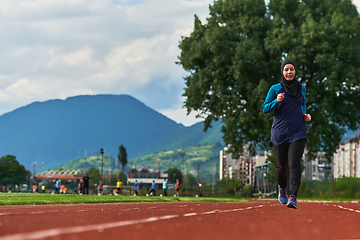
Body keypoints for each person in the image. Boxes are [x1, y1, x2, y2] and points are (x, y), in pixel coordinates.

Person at [263, 60, 311, 209]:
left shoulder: (301, 88)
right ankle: (282, 188)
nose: (289, 72)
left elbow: (302, 104)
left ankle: (293, 197)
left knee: (294, 164)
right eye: (286, 70)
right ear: (282, 72)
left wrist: (305, 114)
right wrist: (276, 102)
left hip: (298, 131)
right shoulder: (275, 88)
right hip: (280, 133)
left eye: (291, 69)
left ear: (295, 71)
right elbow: (265, 108)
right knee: (282, 166)